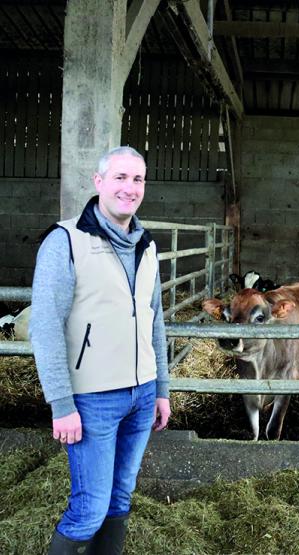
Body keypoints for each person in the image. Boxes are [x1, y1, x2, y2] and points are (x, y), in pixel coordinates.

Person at [30, 146, 171, 554]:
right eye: (120, 178)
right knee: (89, 509)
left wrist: (161, 388)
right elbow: (44, 327)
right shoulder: (65, 241)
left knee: (119, 500)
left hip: (142, 395)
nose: (130, 188)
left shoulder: (146, 245)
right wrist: (60, 403)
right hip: (91, 399)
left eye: (138, 179)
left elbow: (154, 320)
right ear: (99, 182)